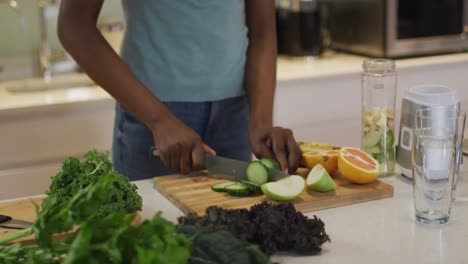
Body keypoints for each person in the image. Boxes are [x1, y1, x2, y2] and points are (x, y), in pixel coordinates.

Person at [57, 0, 302, 181]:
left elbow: (262, 32)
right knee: (150, 244)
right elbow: (74, 26)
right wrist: (159, 120)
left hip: (236, 116)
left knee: (235, 245)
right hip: (153, 120)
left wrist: (261, 122)